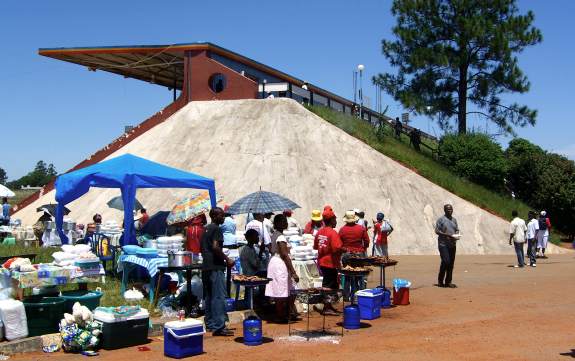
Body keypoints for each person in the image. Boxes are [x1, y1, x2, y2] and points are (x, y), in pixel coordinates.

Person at [201, 207, 234, 336]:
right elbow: (215, 247)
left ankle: (209, 323)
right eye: (221, 215)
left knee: (209, 296)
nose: (224, 217)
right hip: (215, 267)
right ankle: (219, 326)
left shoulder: (205, 229)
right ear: (214, 216)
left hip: (206, 267)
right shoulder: (217, 229)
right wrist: (227, 259)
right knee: (218, 297)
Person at [265, 214, 299, 323]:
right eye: (283, 221)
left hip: (275, 262)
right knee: (281, 290)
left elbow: (272, 249)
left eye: (286, 221)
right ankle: (281, 316)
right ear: (278, 224)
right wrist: (293, 272)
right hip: (279, 263)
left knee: (286, 289)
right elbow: (284, 254)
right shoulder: (280, 237)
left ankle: (285, 313)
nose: (286, 223)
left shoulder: (275, 235)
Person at [313, 209, 343, 315]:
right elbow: (337, 248)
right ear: (331, 220)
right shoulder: (333, 233)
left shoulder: (320, 232)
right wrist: (344, 249)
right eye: (335, 219)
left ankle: (328, 305)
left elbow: (316, 246)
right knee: (329, 285)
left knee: (328, 283)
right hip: (330, 262)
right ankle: (327, 307)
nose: (336, 221)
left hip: (322, 262)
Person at [339, 210, 370, 299]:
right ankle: (361, 295)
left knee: (347, 275)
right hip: (359, 255)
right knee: (360, 275)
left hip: (346, 255)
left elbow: (339, 244)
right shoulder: (361, 229)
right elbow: (367, 241)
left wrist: (344, 250)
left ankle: (346, 295)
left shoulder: (342, 230)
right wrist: (363, 249)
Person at [435, 204, 459, 288]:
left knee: (451, 264)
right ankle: (440, 281)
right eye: (448, 209)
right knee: (446, 261)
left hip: (452, 244)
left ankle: (448, 282)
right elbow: (437, 231)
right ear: (444, 210)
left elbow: (456, 230)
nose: (450, 211)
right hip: (443, 244)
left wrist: (456, 235)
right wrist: (447, 235)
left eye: (451, 209)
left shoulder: (454, 220)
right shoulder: (441, 220)